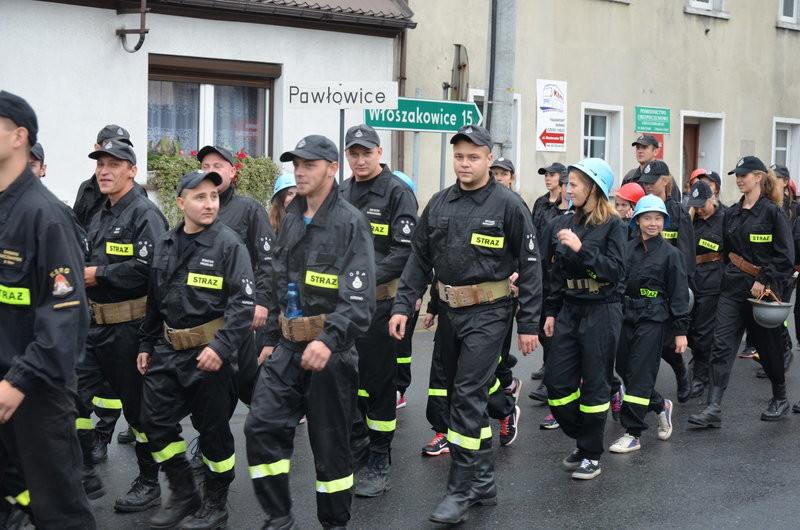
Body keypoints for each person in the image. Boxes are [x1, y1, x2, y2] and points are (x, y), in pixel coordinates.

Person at [389, 124, 541, 524]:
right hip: (450, 313)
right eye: (459, 156)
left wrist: (528, 323)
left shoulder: (509, 205)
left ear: (489, 159)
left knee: (467, 395)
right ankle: (484, 481)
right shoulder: (439, 203)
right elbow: (419, 259)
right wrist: (404, 305)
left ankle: (459, 491)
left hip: (490, 314)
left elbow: (530, 266)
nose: (465, 163)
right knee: (458, 394)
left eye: (473, 156)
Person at [244, 135, 375, 529]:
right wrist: (269, 339)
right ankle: (278, 517)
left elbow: (360, 302)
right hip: (286, 345)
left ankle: (334, 524)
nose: (300, 172)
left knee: (330, 449)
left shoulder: (350, 222)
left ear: (332, 169)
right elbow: (278, 282)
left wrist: (328, 339)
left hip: (330, 354)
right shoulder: (289, 216)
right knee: (260, 426)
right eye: (296, 164)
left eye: (310, 165)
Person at [138, 169, 256, 529]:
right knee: (153, 421)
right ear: (180, 203)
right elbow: (155, 301)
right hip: (168, 349)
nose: (209, 204)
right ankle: (184, 489)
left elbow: (243, 305)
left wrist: (221, 348)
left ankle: (216, 502)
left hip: (210, 355)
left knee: (213, 432)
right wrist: (146, 342)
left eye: (214, 196)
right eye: (200, 197)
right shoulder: (165, 242)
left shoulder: (228, 244)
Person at [0, 90, 97, 529]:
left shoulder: (46, 216)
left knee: (59, 508)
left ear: (19, 137)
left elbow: (65, 317)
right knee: (11, 495)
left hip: (36, 391)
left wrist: (18, 381)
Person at [74, 138, 168, 513]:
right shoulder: (100, 214)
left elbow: (154, 269)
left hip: (131, 329)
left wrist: (101, 274)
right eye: (100, 165)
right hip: (93, 327)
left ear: (132, 170)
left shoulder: (144, 214)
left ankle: (149, 481)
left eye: (114, 164)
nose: (105, 171)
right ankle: (82, 469)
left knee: (138, 411)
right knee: (71, 397)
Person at [339, 124, 418, 497]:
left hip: (381, 303)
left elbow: (404, 252)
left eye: (366, 152)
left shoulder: (396, 193)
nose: (359, 159)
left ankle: (379, 457)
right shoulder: (341, 191)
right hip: (342, 306)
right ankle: (357, 443)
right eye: (353, 153)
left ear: (379, 152)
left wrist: (361, 278)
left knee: (379, 384)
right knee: (347, 379)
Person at [688, 156, 794, 427]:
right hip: (732, 289)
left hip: (762, 292)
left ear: (758, 177)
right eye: (737, 174)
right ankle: (713, 407)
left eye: (744, 174)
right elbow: (726, 252)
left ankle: (779, 397)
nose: (739, 178)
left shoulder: (773, 212)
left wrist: (765, 279)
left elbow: (785, 256)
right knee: (721, 345)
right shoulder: (732, 213)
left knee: (768, 348)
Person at [543, 157, 626, 480]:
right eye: (568, 183)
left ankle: (591, 452)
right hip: (569, 309)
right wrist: (550, 311)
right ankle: (583, 437)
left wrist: (582, 250)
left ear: (594, 188)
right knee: (556, 383)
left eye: (574, 184)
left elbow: (617, 273)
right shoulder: (569, 222)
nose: (568, 189)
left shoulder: (614, 225)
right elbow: (556, 273)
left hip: (601, 309)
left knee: (595, 384)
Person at [609, 195, 689, 454]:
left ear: (664, 222)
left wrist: (680, 333)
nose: (653, 223)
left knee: (641, 374)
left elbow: (678, 296)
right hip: (625, 316)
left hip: (654, 320)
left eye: (658, 218)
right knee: (625, 369)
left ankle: (633, 433)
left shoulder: (671, 254)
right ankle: (659, 405)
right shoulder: (626, 248)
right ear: (637, 221)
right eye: (647, 218)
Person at [197, 145, 274, 408]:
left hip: (238, 311)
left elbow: (268, 261)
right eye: (206, 167)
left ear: (233, 171)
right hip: (205, 311)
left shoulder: (249, 209)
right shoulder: (196, 209)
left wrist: (262, 301)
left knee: (245, 380)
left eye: (217, 166)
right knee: (209, 380)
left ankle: (271, 421)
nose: (211, 171)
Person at [638, 160, 694, 403]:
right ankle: (644, 393)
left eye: (652, 182)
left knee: (665, 342)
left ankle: (680, 371)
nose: (647, 186)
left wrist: (682, 290)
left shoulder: (677, 211)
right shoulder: (642, 209)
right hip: (644, 286)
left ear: (666, 181)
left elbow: (686, 255)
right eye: (644, 182)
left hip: (669, 287)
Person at [529, 163, 567, 383]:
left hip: (556, 268)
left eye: (552, 175)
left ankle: (552, 372)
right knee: (541, 320)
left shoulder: (563, 210)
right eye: (546, 175)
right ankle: (548, 363)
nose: (548, 179)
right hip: (540, 265)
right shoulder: (541, 203)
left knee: (553, 323)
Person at [687, 181, 725, 397]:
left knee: (703, 332)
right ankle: (702, 363)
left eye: (703, 204)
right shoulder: (690, 219)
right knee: (690, 330)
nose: (700, 209)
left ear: (712, 198)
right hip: (692, 280)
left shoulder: (724, 219)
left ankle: (700, 376)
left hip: (713, 282)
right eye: (696, 205)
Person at [391, 170, 419, 407]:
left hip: (406, 295)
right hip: (386, 294)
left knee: (402, 345)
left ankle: (400, 388)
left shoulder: (412, 223)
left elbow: (420, 261)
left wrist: (416, 295)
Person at [622, 134, 680, 202]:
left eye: (644, 147)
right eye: (638, 148)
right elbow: (622, 203)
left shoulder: (664, 177)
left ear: (655, 151)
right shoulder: (630, 177)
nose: (640, 151)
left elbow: (675, 206)